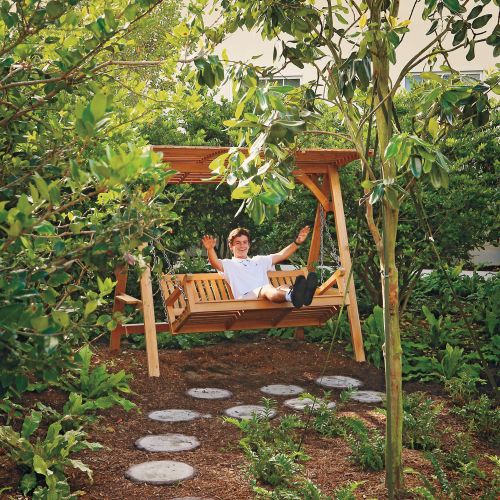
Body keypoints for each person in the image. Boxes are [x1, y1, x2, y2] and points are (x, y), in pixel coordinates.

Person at [201, 226, 318, 308]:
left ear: (249, 244)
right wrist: (210, 249)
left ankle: (300, 295)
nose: (242, 246)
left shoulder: (259, 260)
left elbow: (281, 255)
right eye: (238, 243)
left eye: (245, 242)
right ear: (231, 246)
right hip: (246, 299)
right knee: (266, 288)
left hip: (266, 295)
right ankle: (293, 296)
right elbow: (214, 263)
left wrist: (297, 242)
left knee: (284, 286)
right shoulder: (228, 264)